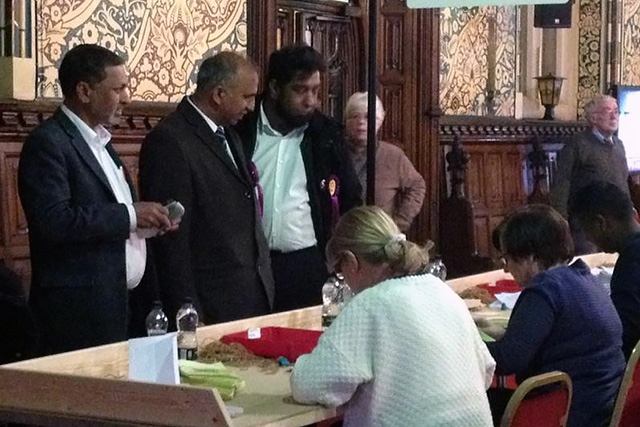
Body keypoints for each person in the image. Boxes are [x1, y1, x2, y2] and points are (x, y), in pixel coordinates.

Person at [18, 44, 174, 354]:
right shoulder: (48, 143)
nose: (127, 97)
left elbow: (109, 217)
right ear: (85, 91)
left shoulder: (101, 142)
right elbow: (53, 222)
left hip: (121, 304)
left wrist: (147, 225)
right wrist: (130, 216)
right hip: (78, 316)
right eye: (118, 88)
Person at [291, 206, 495, 426]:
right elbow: (486, 371)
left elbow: (309, 384)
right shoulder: (443, 291)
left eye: (340, 270)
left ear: (351, 262)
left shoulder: (368, 305)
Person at [138, 52, 274, 326]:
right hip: (209, 303)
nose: (251, 106)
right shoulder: (170, 141)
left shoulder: (228, 133)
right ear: (219, 94)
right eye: (247, 97)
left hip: (247, 297)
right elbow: (171, 239)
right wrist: (187, 308)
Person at [234, 44, 361, 312]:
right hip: (248, 265)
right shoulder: (241, 128)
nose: (311, 101)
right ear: (275, 88)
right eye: (301, 90)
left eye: (315, 91)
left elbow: (350, 198)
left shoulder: (325, 136)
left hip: (305, 265)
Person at [486, 204, 625, 427]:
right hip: (603, 405)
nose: (505, 269)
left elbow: (507, 359)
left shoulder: (545, 289)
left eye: (507, 258)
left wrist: (466, 341)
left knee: (474, 404)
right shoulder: (584, 278)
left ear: (530, 257)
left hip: (570, 413)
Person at [568, 180, 640, 360]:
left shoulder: (631, 263)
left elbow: (621, 335)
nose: (587, 238)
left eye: (586, 230)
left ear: (601, 223)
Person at [550, 94, 630, 254]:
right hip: (587, 224)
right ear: (593, 118)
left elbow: (623, 181)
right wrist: (561, 219)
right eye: (607, 111)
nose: (614, 116)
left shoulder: (619, 145)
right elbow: (561, 183)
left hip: (616, 221)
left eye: (616, 111)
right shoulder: (578, 143)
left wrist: (629, 208)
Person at [344, 92, 426, 232]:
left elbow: (417, 185)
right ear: (346, 120)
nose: (361, 122)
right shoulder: (333, 151)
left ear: (380, 120)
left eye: (368, 116)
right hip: (341, 235)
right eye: (354, 116)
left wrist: (397, 225)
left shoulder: (393, 156)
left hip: (379, 236)